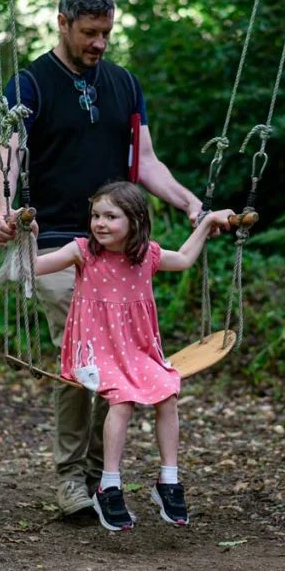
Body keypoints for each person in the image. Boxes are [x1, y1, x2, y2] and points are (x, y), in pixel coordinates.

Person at [0, 0, 206, 518]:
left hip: (120, 246)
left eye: (106, 32)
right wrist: (4, 207)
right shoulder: (31, 84)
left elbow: (147, 160)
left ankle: (98, 477)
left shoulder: (125, 84)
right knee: (81, 348)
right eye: (89, 32)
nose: (99, 43)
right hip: (60, 242)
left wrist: (190, 205)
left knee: (118, 358)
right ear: (62, 24)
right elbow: (8, 155)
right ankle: (72, 479)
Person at [32, 181, 233, 530]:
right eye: (96, 215)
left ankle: (168, 479)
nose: (100, 223)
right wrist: (21, 236)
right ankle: (109, 484)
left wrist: (206, 222)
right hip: (94, 354)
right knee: (121, 402)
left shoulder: (147, 256)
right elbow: (33, 267)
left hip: (137, 351)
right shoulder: (82, 251)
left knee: (168, 392)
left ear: (135, 220)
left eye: (111, 216)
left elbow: (185, 259)